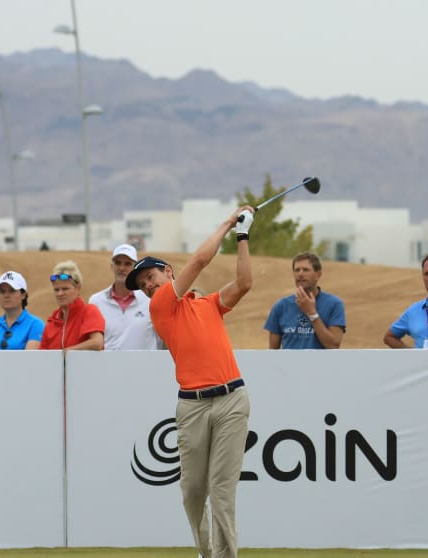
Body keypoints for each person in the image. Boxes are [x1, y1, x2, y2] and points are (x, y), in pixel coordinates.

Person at [125, 206, 254, 558]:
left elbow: (244, 284)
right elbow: (198, 261)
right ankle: (205, 552)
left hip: (231, 400)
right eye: (142, 285)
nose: (148, 286)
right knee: (193, 489)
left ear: (167, 272)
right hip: (192, 404)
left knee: (222, 488)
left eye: (150, 277)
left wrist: (242, 236)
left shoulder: (208, 304)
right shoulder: (161, 308)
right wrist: (227, 223)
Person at [264, 252, 346, 349]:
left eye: (306, 270)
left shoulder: (334, 304)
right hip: (289, 364)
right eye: (297, 270)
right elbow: (272, 352)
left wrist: (312, 313)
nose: (300, 274)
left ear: (318, 275)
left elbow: (333, 346)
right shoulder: (281, 306)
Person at [89, 243, 162, 350]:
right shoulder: (96, 301)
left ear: (135, 268)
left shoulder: (150, 299)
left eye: (127, 264)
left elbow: (160, 339)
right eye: (118, 263)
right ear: (111, 266)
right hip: (108, 366)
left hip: (144, 366)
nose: (121, 268)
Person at [38, 260, 105, 351]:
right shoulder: (52, 323)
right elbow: (42, 355)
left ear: (78, 288)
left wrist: (67, 352)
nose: (60, 294)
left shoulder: (89, 311)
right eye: (56, 290)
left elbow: (97, 343)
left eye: (65, 289)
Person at [0, 271, 44, 350]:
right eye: (2, 291)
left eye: (12, 291)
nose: (6, 295)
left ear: (23, 295)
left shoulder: (35, 324)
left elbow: (30, 359)